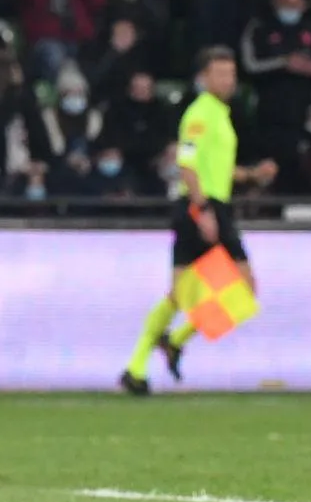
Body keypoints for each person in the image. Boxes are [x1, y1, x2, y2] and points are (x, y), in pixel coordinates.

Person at [118, 46, 277, 393]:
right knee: (240, 286)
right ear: (203, 78)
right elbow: (186, 164)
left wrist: (250, 175)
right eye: (220, 74)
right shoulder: (200, 114)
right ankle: (162, 348)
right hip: (201, 207)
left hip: (209, 204)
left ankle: (145, 361)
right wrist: (202, 208)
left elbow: (213, 167)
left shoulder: (219, 113)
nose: (228, 80)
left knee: (182, 293)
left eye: (231, 74)